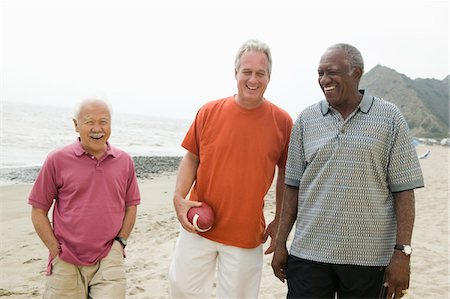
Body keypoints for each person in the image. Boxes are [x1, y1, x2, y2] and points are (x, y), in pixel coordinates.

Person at [271, 43, 424, 299]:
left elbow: (404, 191)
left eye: (332, 72)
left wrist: (402, 253)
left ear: (356, 73)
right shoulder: (306, 120)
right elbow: (292, 187)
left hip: (369, 258)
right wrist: (280, 244)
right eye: (320, 73)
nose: (324, 80)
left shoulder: (390, 118)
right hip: (309, 254)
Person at [169, 39, 293, 298]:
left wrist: (279, 219)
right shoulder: (209, 111)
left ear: (269, 77)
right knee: (182, 291)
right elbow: (191, 157)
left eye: (260, 73)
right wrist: (179, 199)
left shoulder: (282, 122)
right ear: (235, 73)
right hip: (198, 225)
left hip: (246, 233)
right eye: (246, 72)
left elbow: (287, 175)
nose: (253, 79)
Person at [28, 98, 141, 298]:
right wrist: (55, 250)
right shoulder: (57, 160)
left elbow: (131, 206)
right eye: (89, 121)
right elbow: (38, 210)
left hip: (109, 258)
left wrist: (120, 243)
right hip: (65, 259)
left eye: (103, 121)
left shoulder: (125, 161)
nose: (97, 128)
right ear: (76, 125)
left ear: (110, 125)